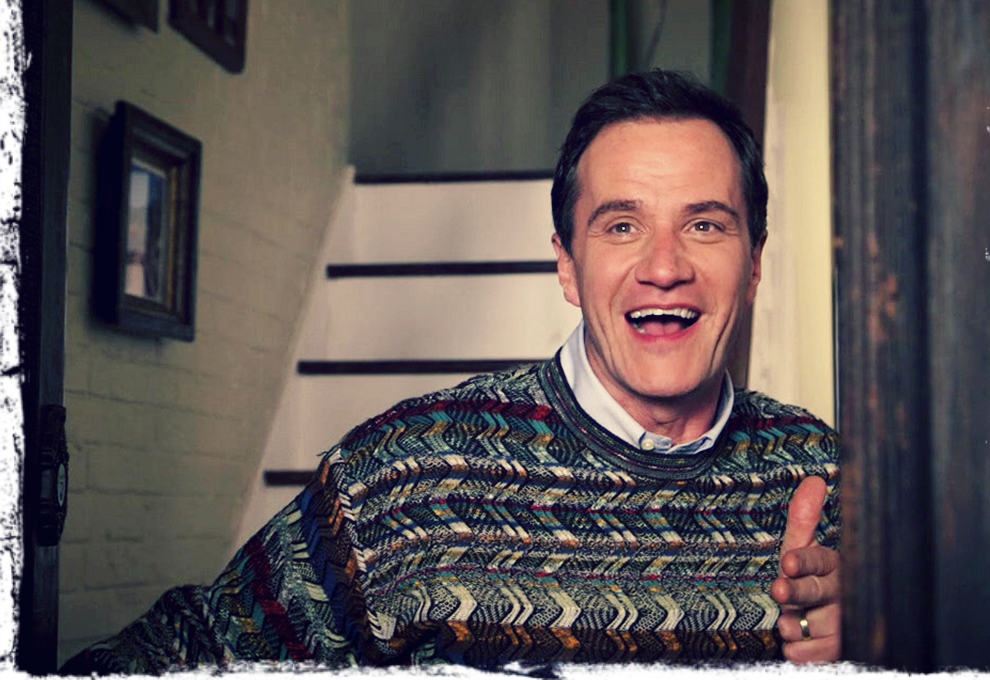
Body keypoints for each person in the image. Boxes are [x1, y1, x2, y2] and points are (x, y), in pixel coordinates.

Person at [63, 70, 841, 673]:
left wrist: (874, 650)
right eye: (621, 226)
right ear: (567, 266)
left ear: (754, 266)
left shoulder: (831, 482)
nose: (664, 267)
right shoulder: (410, 474)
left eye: (704, 224)